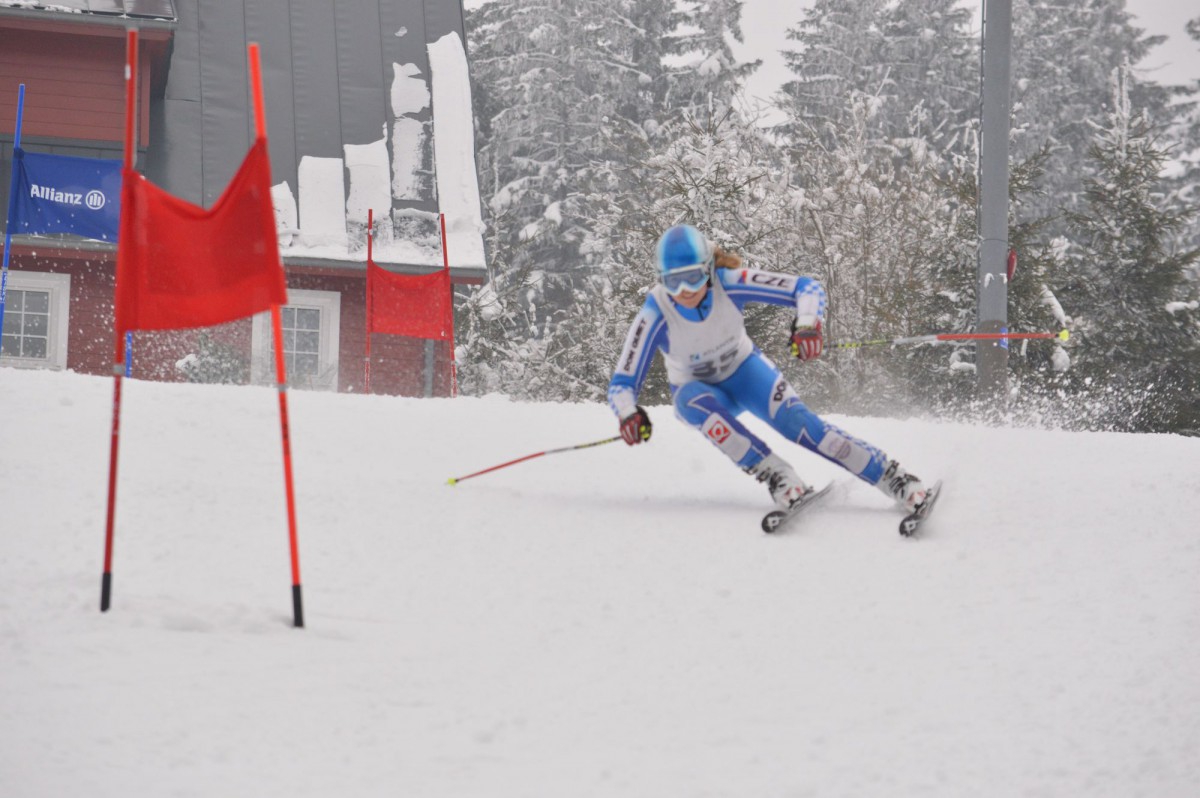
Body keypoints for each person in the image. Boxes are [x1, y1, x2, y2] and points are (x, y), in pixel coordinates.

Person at [607, 223, 930, 514]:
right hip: (699, 392)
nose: (684, 291)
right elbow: (623, 381)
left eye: (692, 277)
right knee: (690, 402)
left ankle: (894, 478)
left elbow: (806, 287)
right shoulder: (655, 312)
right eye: (672, 282)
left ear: (708, 269)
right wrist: (628, 413)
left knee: (802, 427)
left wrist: (807, 325)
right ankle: (779, 477)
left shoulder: (729, 283)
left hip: (746, 375)